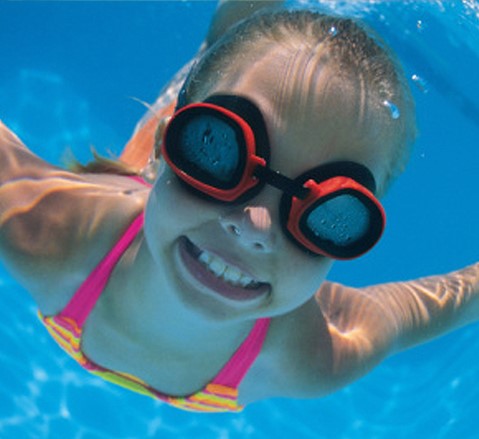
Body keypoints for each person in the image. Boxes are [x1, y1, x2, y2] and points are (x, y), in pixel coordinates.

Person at [0, 1, 477, 413]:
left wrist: (217, 164)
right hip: (125, 206)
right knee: (219, 54)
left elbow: (454, 298)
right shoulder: (43, 230)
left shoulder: (309, 356)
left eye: (330, 212)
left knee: (222, 67)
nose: (255, 228)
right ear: (169, 145)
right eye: (216, 150)